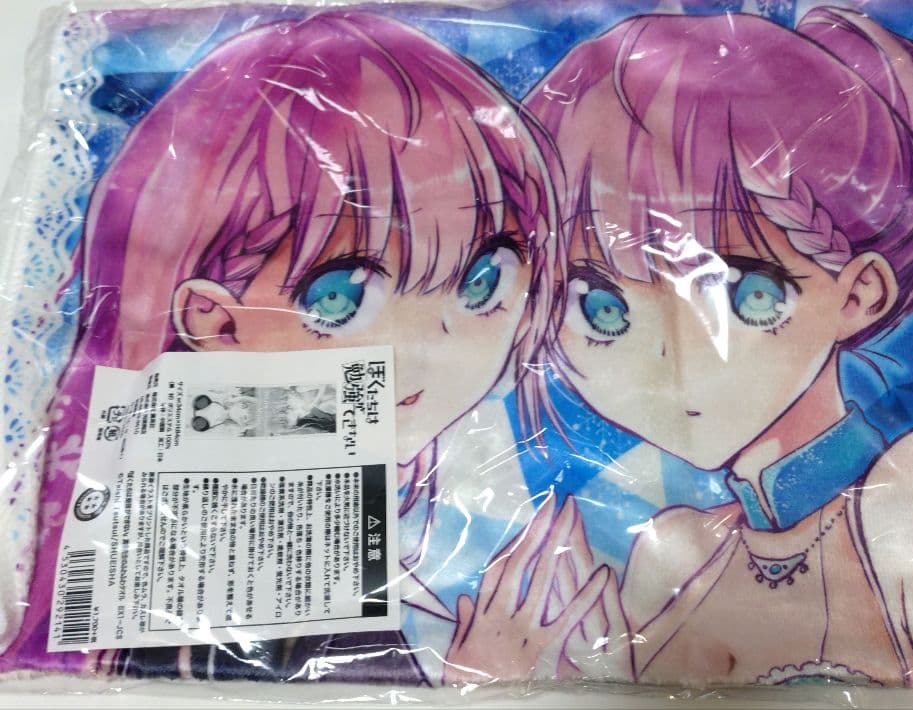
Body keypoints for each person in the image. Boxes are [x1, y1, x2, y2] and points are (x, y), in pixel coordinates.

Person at [448, 7, 913, 688]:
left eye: (750, 295)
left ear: (859, 294)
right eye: (601, 308)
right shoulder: (672, 553)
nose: (670, 360)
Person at [10, 10, 573, 685]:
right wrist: (478, 668)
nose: (433, 344)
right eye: (338, 300)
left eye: (483, 280)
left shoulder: (464, 484)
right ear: (216, 323)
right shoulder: (211, 535)